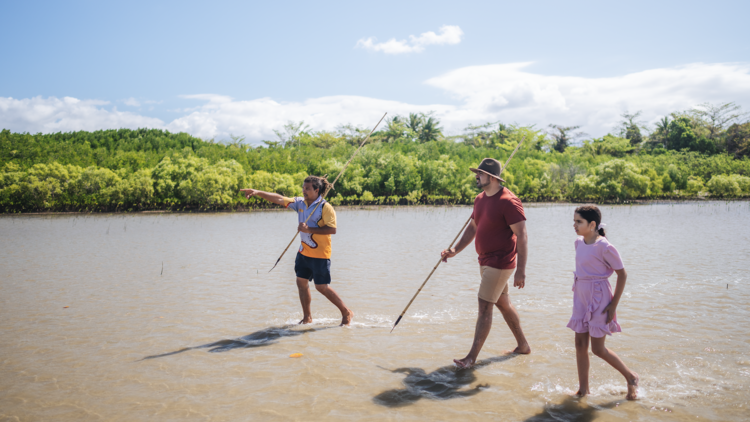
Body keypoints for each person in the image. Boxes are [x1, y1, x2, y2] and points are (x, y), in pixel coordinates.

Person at [441, 158, 531, 369]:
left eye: (480, 174)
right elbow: (473, 227)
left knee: (484, 306)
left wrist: (521, 270)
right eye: (477, 173)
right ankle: (523, 345)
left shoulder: (509, 201)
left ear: (492, 177)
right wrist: (455, 250)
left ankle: (471, 358)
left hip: (501, 263)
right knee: (503, 304)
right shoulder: (480, 199)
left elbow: (522, 235)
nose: (476, 176)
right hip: (485, 260)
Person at [240, 176, 354, 326]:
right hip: (303, 253)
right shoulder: (300, 203)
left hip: (320, 254)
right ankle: (307, 317)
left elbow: (332, 229)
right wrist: (256, 192)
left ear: (316, 190)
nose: (304, 191)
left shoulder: (325, 207)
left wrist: (309, 229)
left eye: (307, 188)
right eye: (303, 188)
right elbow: (280, 199)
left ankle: (346, 312)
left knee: (321, 287)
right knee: (301, 282)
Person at [569, 205, 638, 400]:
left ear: (592, 225)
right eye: (574, 221)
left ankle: (631, 376)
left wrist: (614, 305)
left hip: (600, 298)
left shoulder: (605, 246)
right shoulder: (578, 242)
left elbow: (622, 274)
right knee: (580, 344)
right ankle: (583, 390)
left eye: (578, 221)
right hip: (580, 296)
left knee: (597, 349)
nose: (574, 225)